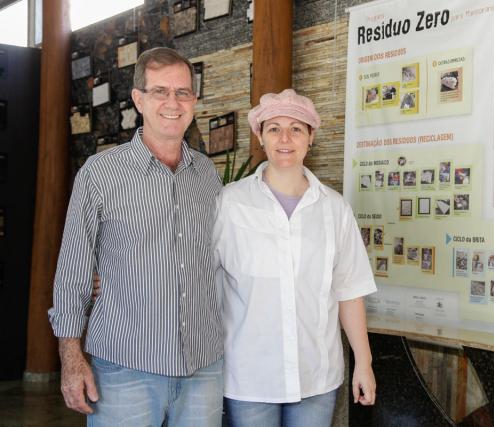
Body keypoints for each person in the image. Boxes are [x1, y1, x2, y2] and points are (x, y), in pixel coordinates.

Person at [48, 47, 224, 426]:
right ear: (139, 99)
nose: (173, 103)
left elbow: (220, 260)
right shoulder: (100, 174)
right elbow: (73, 271)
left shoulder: (208, 175)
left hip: (203, 365)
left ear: (193, 99)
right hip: (125, 366)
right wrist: (70, 356)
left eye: (183, 92)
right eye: (160, 91)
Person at [213, 89, 376, 426]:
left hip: (315, 377)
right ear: (260, 136)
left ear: (310, 137)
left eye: (296, 128)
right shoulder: (229, 203)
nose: (285, 138)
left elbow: (350, 290)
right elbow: (198, 278)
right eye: (274, 128)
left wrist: (364, 362)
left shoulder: (334, 208)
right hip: (249, 379)